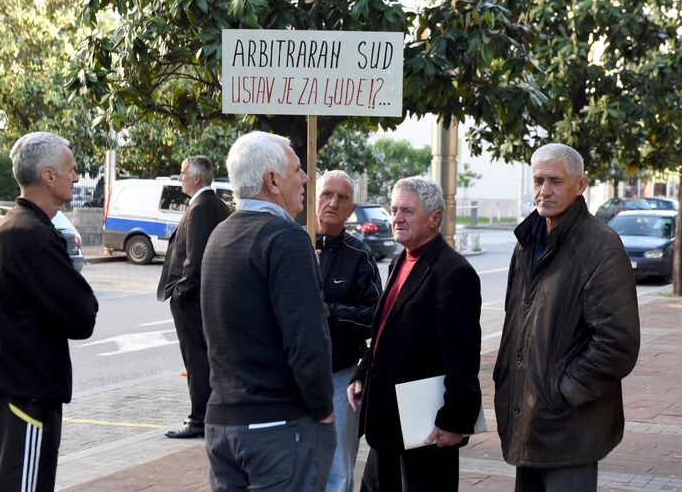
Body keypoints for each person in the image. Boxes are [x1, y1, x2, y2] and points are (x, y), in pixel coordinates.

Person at [493, 143, 640, 492]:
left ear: (580, 184)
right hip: (527, 418)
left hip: (570, 425)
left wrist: (564, 390)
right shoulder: (527, 241)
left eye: (555, 181)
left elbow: (618, 342)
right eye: (538, 180)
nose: (544, 191)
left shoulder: (601, 245)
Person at [200, 131, 335, 491]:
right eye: (297, 170)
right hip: (278, 428)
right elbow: (307, 340)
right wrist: (324, 408)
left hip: (223, 423)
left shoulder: (219, 235)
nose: (306, 178)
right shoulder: (286, 237)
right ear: (272, 181)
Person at [0, 131, 98, 491]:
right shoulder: (29, 233)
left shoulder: (19, 225)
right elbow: (81, 314)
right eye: (71, 170)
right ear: (48, 176)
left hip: (21, 387)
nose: (76, 178)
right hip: (23, 391)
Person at [349, 176, 481, 492]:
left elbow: (462, 358)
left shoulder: (454, 272)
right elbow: (384, 329)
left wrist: (454, 420)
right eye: (394, 210)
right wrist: (362, 374)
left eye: (407, 211)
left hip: (426, 426)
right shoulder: (399, 260)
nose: (396, 218)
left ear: (435, 217)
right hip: (387, 422)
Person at [315, 170, 382, 492]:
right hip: (290, 377)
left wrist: (332, 312)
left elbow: (375, 317)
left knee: (339, 469)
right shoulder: (292, 245)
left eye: (342, 198)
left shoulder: (360, 256)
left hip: (340, 376)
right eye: (326, 194)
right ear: (314, 198)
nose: (332, 203)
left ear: (352, 209)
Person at [157, 155, 232, 439]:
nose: (180, 178)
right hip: (202, 297)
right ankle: (207, 416)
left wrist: (180, 292)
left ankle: (198, 419)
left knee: (196, 358)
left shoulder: (202, 206)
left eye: (182, 173)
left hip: (193, 299)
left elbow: (196, 259)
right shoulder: (212, 203)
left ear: (197, 178)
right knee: (203, 357)